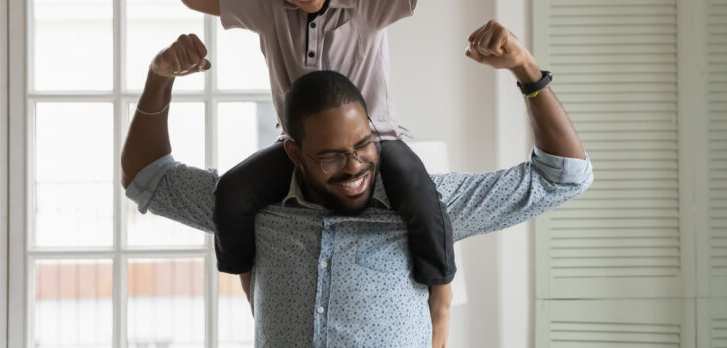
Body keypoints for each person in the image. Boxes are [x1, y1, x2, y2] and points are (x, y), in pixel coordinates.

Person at [121, 20, 593, 347]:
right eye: (329, 156)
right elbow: (146, 177)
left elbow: (563, 177)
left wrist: (526, 71)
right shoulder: (255, 207)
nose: (353, 167)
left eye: (363, 145)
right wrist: (160, 77)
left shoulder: (430, 203)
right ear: (293, 153)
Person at [146, 0, 456, 333]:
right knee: (231, 193)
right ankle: (256, 291)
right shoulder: (268, 5)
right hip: (300, 150)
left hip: (375, 142)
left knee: (421, 197)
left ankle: (442, 304)